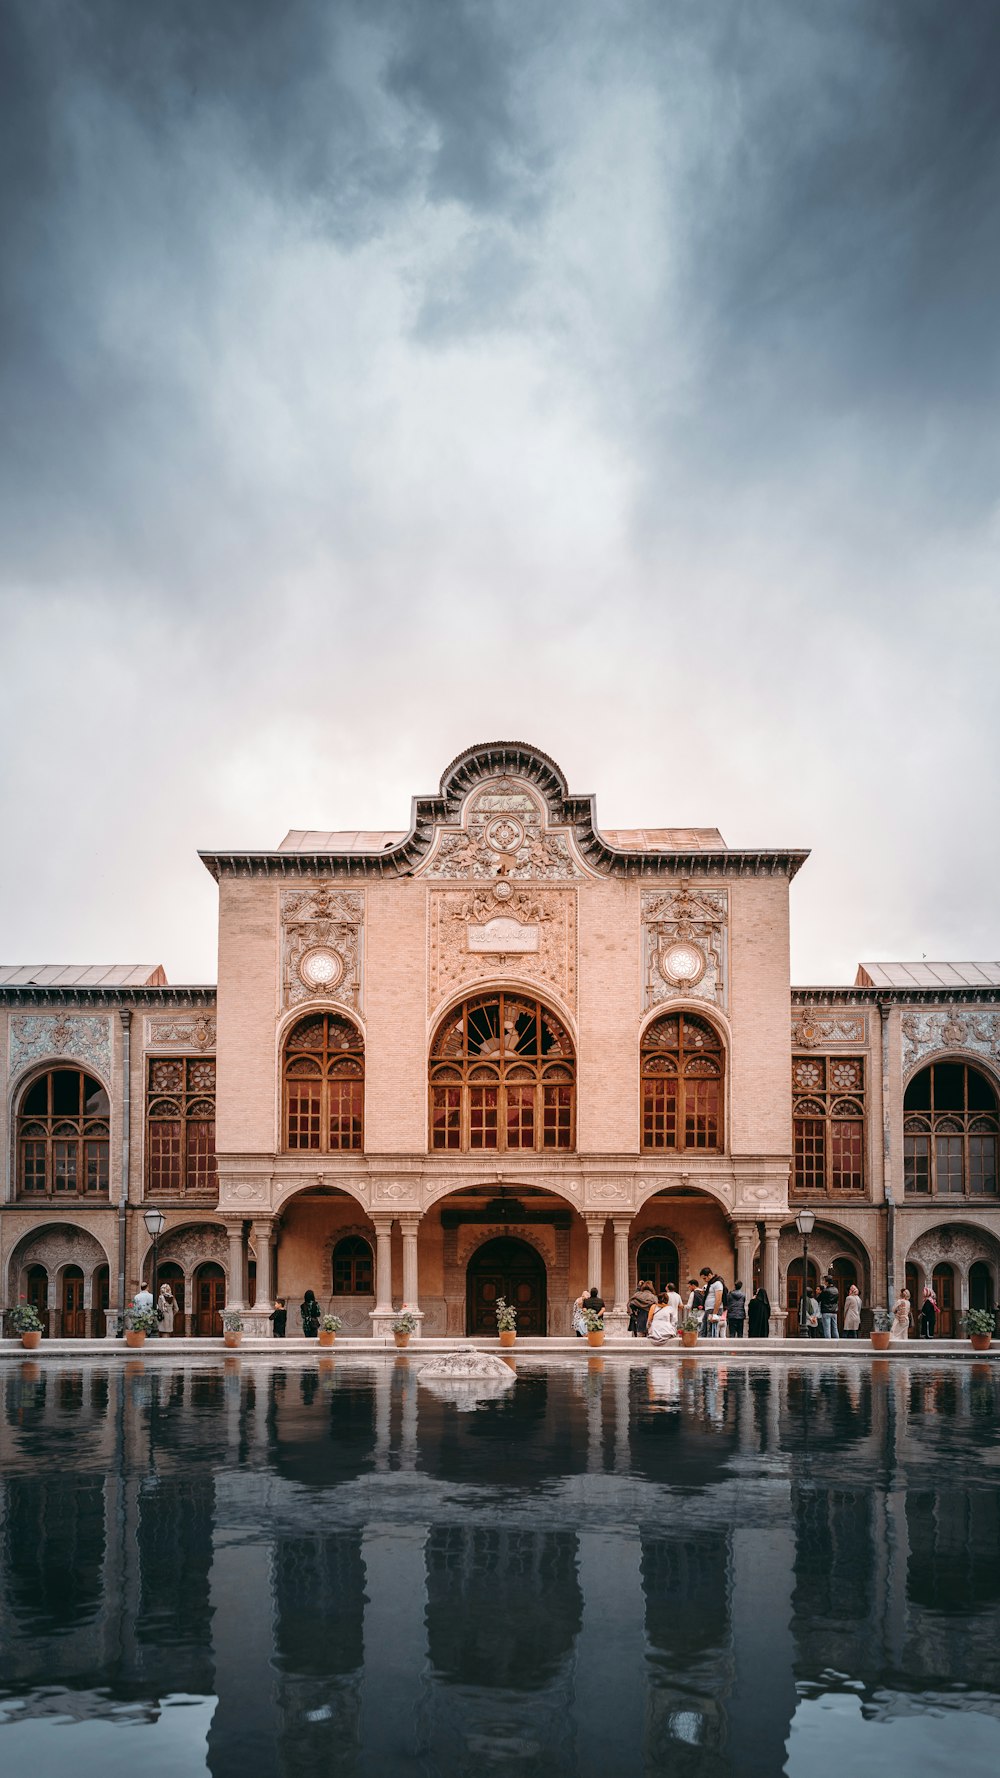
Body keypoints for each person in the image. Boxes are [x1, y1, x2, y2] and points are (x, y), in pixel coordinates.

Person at [700, 1267, 725, 1337]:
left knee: (711, 1331)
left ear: (710, 1275)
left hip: (713, 1310)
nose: (704, 1280)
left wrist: (714, 1314)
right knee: (704, 1330)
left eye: (704, 1278)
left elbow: (718, 1299)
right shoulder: (711, 1283)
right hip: (709, 1309)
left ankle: (710, 1347)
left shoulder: (717, 1283)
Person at [818, 1275, 840, 1340]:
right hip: (834, 1311)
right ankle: (837, 1342)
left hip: (826, 1311)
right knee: (835, 1328)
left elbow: (819, 1299)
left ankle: (828, 1343)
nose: (824, 1282)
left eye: (824, 1281)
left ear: (827, 1282)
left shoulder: (825, 1291)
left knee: (827, 1328)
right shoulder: (836, 1290)